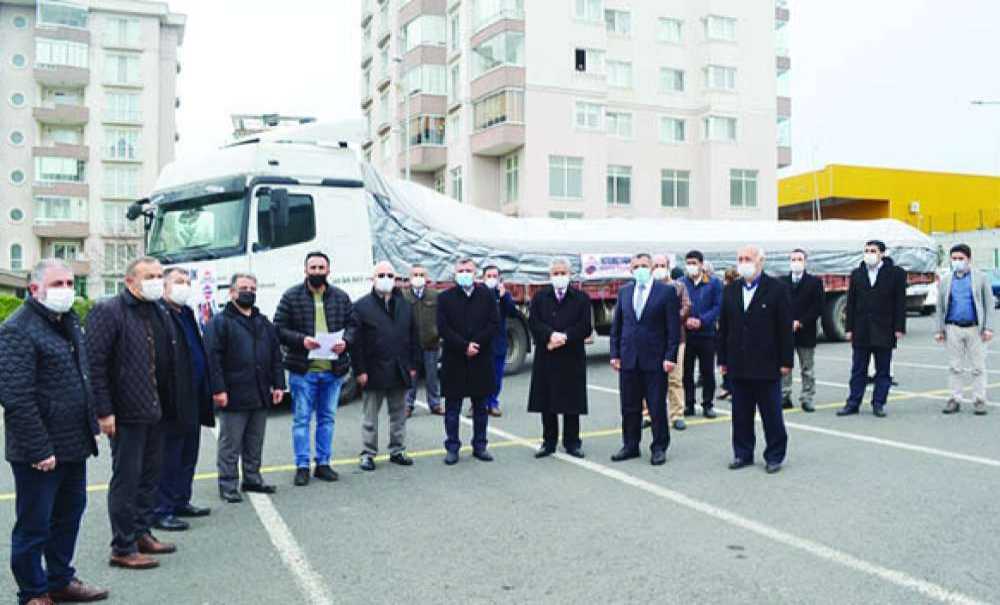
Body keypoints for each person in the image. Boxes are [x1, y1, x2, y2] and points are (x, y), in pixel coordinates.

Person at [0, 260, 109, 604]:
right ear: (34, 289)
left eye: (69, 282)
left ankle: (60, 579)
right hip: (40, 450)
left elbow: (81, 377)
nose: (67, 289)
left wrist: (91, 425)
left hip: (73, 442)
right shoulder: (18, 329)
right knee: (34, 524)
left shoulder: (67, 322)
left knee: (69, 514)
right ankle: (33, 591)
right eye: (58, 283)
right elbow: (16, 396)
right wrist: (38, 449)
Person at [86, 256, 178, 569]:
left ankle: (142, 532)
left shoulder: (158, 310)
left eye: (159, 275)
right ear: (129, 281)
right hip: (126, 412)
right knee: (127, 479)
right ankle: (122, 547)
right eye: (149, 276)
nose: (157, 280)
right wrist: (104, 411)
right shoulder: (109, 311)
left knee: (150, 475)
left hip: (156, 409)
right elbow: (94, 365)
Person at [274, 251, 358, 487]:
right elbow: (278, 328)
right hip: (303, 371)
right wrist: (302, 340)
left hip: (333, 371)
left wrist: (347, 342)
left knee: (327, 419)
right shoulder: (291, 296)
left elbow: (353, 325)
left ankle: (323, 463)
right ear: (305, 270)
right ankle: (302, 465)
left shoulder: (341, 297)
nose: (318, 272)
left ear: (329, 271)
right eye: (313, 268)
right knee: (301, 420)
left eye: (322, 268)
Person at [205, 274, 285, 503]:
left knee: (254, 441)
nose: (248, 291)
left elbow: (275, 356)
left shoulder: (263, 322)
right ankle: (228, 484)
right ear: (231, 292)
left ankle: (252, 478)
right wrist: (218, 390)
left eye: (252, 287)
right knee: (230, 443)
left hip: (260, 392)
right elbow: (213, 359)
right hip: (233, 394)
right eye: (243, 288)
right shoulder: (220, 323)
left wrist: (279, 384)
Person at [718, 245, 794, 474]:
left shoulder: (777, 289)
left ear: (760, 261)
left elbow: (784, 329)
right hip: (738, 364)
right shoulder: (730, 290)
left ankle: (774, 455)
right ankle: (742, 453)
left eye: (748, 258)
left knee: (771, 414)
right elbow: (724, 328)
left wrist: (786, 361)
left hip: (767, 364)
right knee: (740, 414)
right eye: (740, 258)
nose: (744, 263)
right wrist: (722, 360)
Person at [153, 268, 215, 532]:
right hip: (172, 399)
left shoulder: (186, 313)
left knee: (188, 453)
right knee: (169, 457)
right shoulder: (158, 314)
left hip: (194, 396)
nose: (184, 287)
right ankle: (161, 509)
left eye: (187, 282)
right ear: (164, 286)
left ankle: (181, 500)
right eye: (178, 282)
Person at [609, 253, 681, 466]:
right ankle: (630, 445)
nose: (640, 269)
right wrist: (614, 354)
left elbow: (673, 329)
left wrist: (670, 356)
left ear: (651, 268)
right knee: (629, 406)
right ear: (631, 270)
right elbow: (617, 326)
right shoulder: (624, 292)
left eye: (644, 265)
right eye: (636, 266)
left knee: (656, 405)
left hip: (655, 360)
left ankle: (659, 447)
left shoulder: (666, 292)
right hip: (629, 358)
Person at [352, 261, 420, 471]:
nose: (386, 279)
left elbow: (413, 337)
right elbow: (356, 343)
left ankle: (397, 450)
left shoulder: (405, 306)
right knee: (370, 416)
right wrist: (360, 370)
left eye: (390, 275)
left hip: (399, 368)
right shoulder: (361, 306)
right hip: (373, 370)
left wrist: (413, 365)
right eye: (381, 275)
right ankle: (368, 453)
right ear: (372, 279)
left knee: (398, 414)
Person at [437, 259, 500, 465]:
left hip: (480, 358)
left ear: (476, 274)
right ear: (455, 273)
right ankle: (452, 446)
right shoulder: (445, 298)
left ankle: (480, 445)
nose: (465, 273)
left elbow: (493, 323)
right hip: (455, 359)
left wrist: (476, 344)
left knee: (480, 406)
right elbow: (443, 328)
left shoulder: (487, 296)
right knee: (453, 408)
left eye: (468, 270)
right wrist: (464, 346)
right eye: (461, 270)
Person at [527, 259, 593, 458]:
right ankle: (549, 441)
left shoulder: (581, 298)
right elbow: (534, 322)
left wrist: (564, 336)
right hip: (547, 355)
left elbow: (585, 326)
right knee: (547, 401)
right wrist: (549, 335)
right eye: (555, 273)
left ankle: (572, 441)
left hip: (571, 355)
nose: (559, 277)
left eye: (563, 273)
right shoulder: (539, 298)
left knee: (571, 401)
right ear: (550, 276)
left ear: (570, 274)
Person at [837, 240, 906, 418]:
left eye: (873, 251)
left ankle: (878, 403)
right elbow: (851, 303)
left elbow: (900, 302)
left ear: (882, 253)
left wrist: (899, 327)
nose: (869, 254)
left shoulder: (896, 274)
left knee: (883, 370)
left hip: (884, 329)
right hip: (861, 329)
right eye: (866, 250)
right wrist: (849, 328)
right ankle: (853, 403)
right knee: (858, 369)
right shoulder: (857, 274)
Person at [935, 244, 995, 415]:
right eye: (954, 259)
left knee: (978, 367)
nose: (957, 262)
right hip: (953, 327)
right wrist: (939, 330)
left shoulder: (981, 278)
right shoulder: (946, 280)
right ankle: (955, 399)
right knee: (955, 367)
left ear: (969, 259)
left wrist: (988, 328)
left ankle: (979, 400)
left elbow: (989, 305)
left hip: (975, 328)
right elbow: (940, 307)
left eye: (960, 258)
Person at [780, 249, 825, 413]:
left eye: (799, 259)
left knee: (807, 368)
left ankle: (807, 397)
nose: (796, 262)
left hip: (806, 331)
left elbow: (818, 307)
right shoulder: (782, 282)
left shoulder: (814, 282)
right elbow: (778, 306)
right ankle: (784, 396)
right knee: (785, 366)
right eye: (793, 259)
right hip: (785, 332)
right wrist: (786, 322)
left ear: (805, 261)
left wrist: (801, 322)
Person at [680, 250, 723, 419]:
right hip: (687, 335)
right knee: (686, 372)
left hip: (707, 334)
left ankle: (708, 404)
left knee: (707, 372)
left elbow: (718, 306)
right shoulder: (681, 283)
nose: (691, 266)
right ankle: (689, 404)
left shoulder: (713, 283)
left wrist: (702, 321)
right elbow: (676, 305)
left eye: (694, 263)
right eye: (688, 263)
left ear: (701, 264)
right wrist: (686, 320)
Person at [652, 254, 692, 431]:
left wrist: (669, 319)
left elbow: (686, 307)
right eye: (656, 265)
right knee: (649, 379)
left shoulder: (678, 286)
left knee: (675, 378)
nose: (659, 268)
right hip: (651, 340)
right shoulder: (646, 288)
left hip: (676, 339)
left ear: (668, 267)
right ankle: (648, 414)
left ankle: (677, 414)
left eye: (662, 265)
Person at [403, 265, 444, 417]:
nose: (418, 277)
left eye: (421, 274)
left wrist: (438, 333)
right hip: (410, 346)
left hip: (431, 342)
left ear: (427, 278)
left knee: (432, 376)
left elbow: (442, 317)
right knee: (411, 377)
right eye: (415, 274)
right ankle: (407, 405)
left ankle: (435, 404)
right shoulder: (404, 296)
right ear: (409, 278)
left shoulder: (434, 295)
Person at [478, 265, 518, 418]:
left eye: (495, 276)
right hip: (481, 341)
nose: (492, 279)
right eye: (489, 276)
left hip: (498, 340)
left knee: (496, 374)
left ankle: (493, 402)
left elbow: (513, 312)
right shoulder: (478, 294)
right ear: (483, 278)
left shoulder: (502, 295)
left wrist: (504, 296)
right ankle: (478, 403)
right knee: (480, 375)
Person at [717, 268, 739, 401]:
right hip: (726, 330)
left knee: (732, 363)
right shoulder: (725, 290)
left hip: (734, 331)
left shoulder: (735, 291)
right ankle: (727, 387)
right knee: (725, 362)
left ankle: (732, 389)